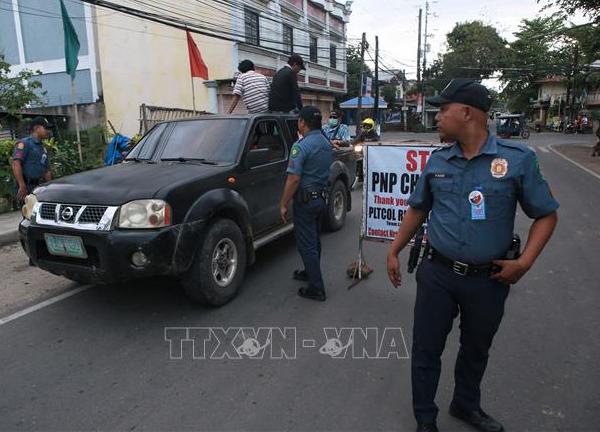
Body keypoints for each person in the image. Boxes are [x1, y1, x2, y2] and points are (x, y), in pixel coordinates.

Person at [386, 79, 559, 432]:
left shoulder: (516, 160)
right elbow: (418, 209)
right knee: (426, 349)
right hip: (437, 273)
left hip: (488, 279)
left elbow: (546, 214)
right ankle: (425, 419)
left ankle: (466, 405)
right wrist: (394, 250)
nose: (436, 117)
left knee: (476, 349)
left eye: (442, 110)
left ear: (466, 113)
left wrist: (524, 263)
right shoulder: (437, 161)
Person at [279, 106, 333, 301]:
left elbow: (293, 179)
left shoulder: (300, 146)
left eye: (299, 121)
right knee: (314, 240)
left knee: (306, 244)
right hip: (320, 200)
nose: (298, 124)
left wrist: (283, 204)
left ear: (303, 122)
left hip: (305, 202)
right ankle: (309, 272)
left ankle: (316, 288)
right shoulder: (326, 143)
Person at [12, 116, 53, 205]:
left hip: (39, 187)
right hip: (27, 186)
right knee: (29, 215)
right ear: (36, 128)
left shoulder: (43, 147)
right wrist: (22, 185)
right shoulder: (24, 143)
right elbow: (16, 164)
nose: (48, 131)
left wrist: (50, 187)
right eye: (46, 128)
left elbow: (46, 170)